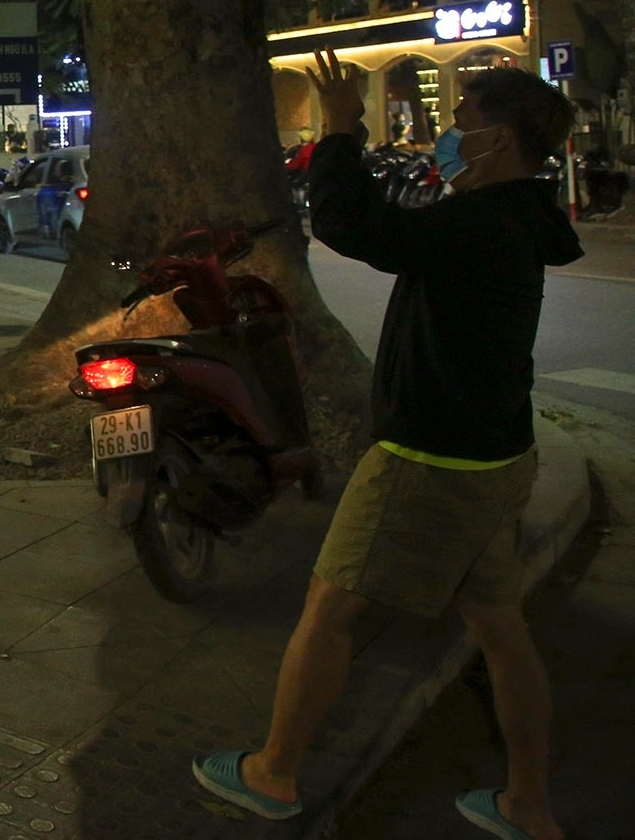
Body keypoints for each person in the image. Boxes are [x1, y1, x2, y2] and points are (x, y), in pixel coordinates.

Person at [193, 49, 579, 840]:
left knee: (329, 608)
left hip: (430, 462)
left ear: (500, 139)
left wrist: (338, 132)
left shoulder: (478, 225)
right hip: (498, 455)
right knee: (502, 632)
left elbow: (350, 225)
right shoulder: (520, 217)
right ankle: (529, 806)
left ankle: (273, 772)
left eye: (462, 123)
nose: (447, 134)